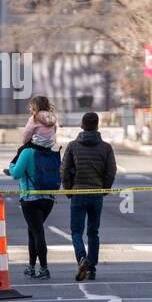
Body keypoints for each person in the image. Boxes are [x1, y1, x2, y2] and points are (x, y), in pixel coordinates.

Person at [61, 111, 116, 281]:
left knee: (76, 231)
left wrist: (69, 189)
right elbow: (111, 171)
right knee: (93, 232)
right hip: (96, 194)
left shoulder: (72, 146)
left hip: (78, 192)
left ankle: (81, 258)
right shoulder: (106, 148)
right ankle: (91, 268)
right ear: (97, 126)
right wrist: (104, 189)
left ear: (82, 126)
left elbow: (64, 170)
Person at [6, 132, 58, 279]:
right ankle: (31, 267)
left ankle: (44, 268)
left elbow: (16, 173)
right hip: (48, 199)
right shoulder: (50, 154)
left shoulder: (27, 152)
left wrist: (11, 164)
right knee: (33, 232)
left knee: (37, 233)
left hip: (30, 199)